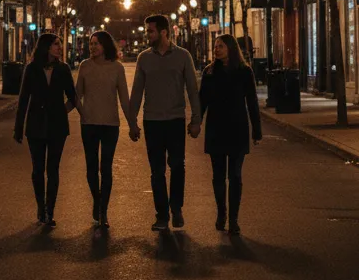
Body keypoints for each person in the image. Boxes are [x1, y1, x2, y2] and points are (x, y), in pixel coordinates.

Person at [129, 14, 202, 231]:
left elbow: (192, 89)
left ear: (163, 32)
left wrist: (196, 120)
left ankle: (176, 208)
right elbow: (136, 92)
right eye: (147, 30)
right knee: (157, 170)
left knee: (177, 166)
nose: (147, 34)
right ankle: (161, 215)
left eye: (150, 31)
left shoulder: (183, 56)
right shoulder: (144, 58)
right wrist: (132, 122)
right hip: (152, 122)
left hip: (175, 120)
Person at [200, 33, 262, 236]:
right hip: (216, 128)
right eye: (215, 46)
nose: (216, 49)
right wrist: (196, 123)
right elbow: (203, 102)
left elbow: (252, 102)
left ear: (231, 49)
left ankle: (234, 219)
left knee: (235, 175)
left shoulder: (244, 72)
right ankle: (221, 213)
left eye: (221, 46)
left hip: (237, 128)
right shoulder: (209, 72)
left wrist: (257, 131)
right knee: (218, 175)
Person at [14, 33, 78, 227]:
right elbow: (23, 99)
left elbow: (72, 97)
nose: (60, 47)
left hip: (57, 128)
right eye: (56, 44)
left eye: (59, 44)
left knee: (53, 169)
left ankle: (50, 210)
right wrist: (18, 128)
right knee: (38, 169)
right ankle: (40, 207)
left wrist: (62, 111)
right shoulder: (32, 69)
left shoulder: (63, 69)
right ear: (46, 47)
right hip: (35, 126)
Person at [75, 30, 136, 228]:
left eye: (97, 44)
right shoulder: (85, 66)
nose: (93, 47)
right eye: (91, 43)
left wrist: (133, 124)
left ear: (106, 46)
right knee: (91, 168)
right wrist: (74, 111)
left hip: (110, 125)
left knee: (106, 168)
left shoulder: (116, 68)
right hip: (89, 124)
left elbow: (124, 100)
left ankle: (103, 210)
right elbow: (77, 95)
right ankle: (96, 199)